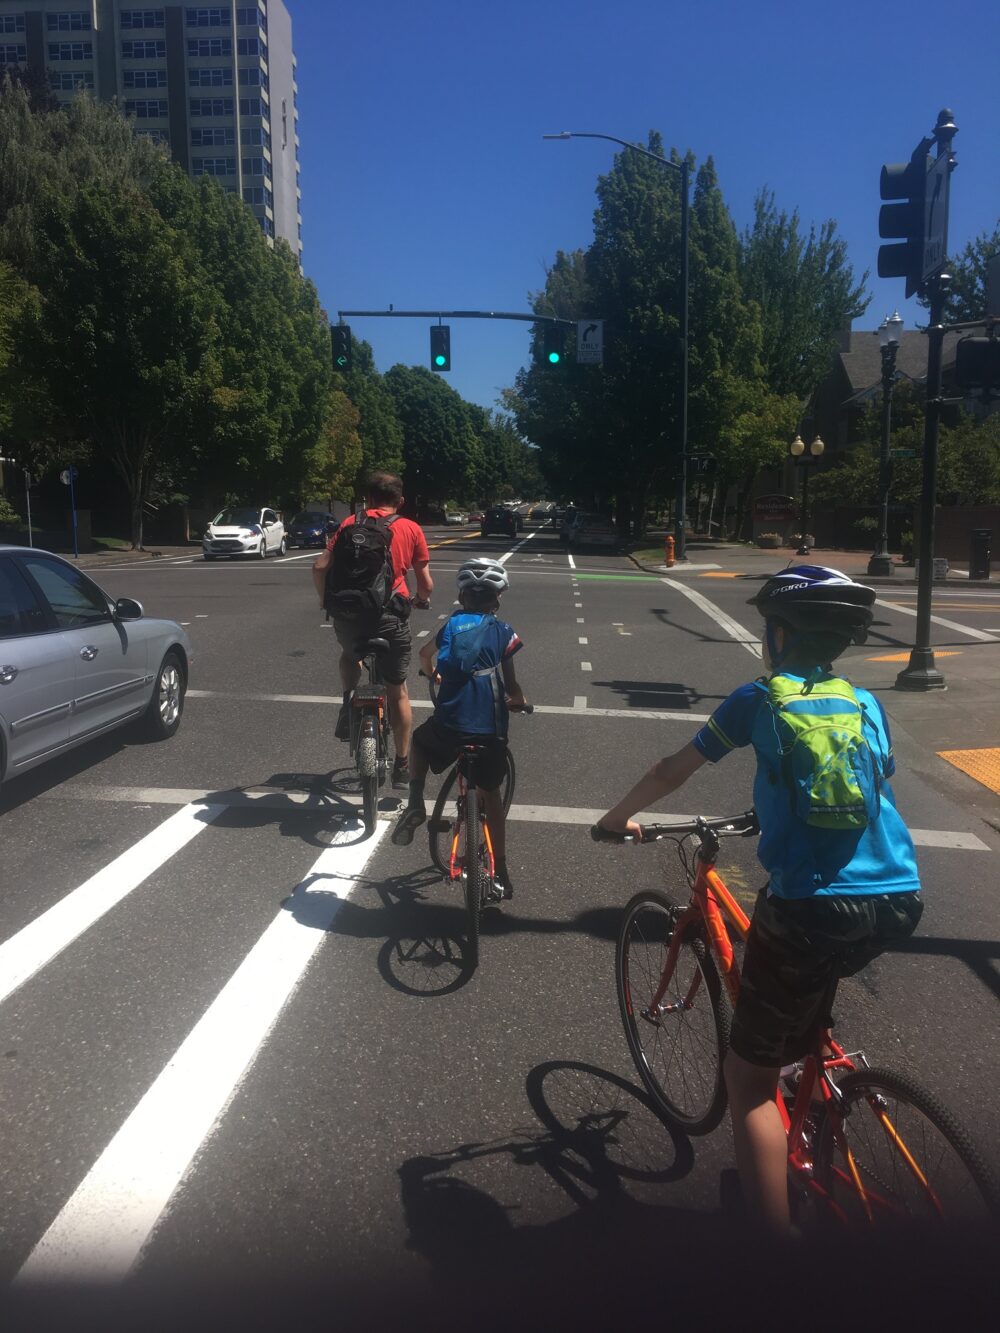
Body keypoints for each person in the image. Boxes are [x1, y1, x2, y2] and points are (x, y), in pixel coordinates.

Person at [595, 565, 923, 1234]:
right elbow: (869, 788)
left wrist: (615, 816)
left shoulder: (760, 698)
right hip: (896, 894)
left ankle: (776, 1256)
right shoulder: (865, 702)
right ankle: (818, 1080)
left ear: (777, 632)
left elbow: (672, 769)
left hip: (811, 907)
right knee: (810, 993)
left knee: (747, 1081)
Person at [391, 557, 527, 900]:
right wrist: (520, 700)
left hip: (451, 722)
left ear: (463, 596)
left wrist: (431, 673)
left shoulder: (452, 625)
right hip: (489, 728)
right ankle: (501, 872)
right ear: (497, 598)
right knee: (491, 794)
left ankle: (415, 802)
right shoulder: (504, 630)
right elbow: (511, 685)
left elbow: (425, 655)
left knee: (420, 743)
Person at [312, 472, 433, 789]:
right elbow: (426, 583)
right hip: (390, 618)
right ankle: (402, 765)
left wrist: (325, 600)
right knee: (398, 690)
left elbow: (319, 567)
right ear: (400, 500)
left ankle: (348, 699)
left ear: (368, 498)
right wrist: (422, 600)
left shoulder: (350, 523)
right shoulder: (410, 528)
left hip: (349, 614)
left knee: (349, 656)